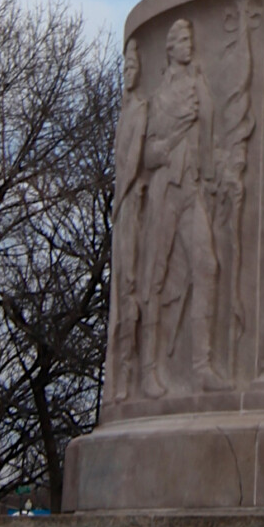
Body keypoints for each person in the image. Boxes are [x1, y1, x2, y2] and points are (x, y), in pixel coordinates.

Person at [138, 18, 221, 395]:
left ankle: (201, 366)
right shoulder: (159, 96)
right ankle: (148, 370)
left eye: (190, 39)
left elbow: (211, 130)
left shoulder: (197, 87)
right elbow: (147, 152)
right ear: (170, 49)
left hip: (191, 190)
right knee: (154, 277)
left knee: (206, 266)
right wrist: (173, 136)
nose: (189, 45)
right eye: (182, 40)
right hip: (164, 191)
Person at [109, 38, 150, 401]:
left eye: (135, 67)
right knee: (129, 288)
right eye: (126, 68)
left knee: (137, 285)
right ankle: (126, 375)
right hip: (128, 208)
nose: (131, 73)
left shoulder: (139, 108)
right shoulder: (129, 110)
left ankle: (134, 372)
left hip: (136, 205)